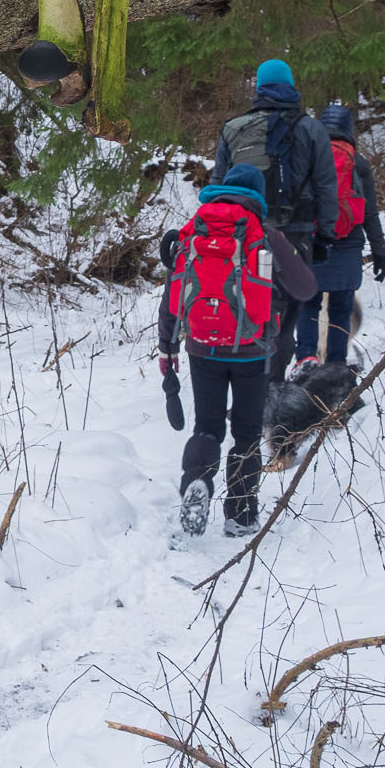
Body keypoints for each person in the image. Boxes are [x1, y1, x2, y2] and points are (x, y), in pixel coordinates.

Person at [158, 164, 318, 538]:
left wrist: (167, 347)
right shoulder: (264, 234)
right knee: (246, 433)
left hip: (201, 348)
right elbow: (306, 289)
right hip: (252, 351)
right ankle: (241, 515)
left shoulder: (193, 230)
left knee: (207, 427)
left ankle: (198, 481)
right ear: (258, 196)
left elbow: (172, 294)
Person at [211, 59, 337, 381]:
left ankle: (245, 384)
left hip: (245, 234)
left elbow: (218, 186)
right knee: (288, 310)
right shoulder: (312, 129)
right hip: (296, 234)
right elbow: (325, 185)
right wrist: (326, 236)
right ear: (291, 85)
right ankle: (274, 386)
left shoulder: (234, 128)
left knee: (247, 305)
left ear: (259, 89)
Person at [295, 104, 385, 368]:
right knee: (340, 308)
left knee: (309, 304)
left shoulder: (309, 158)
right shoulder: (358, 163)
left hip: (312, 244)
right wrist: (379, 252)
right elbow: (370, 213)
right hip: (348, 245)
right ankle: (336, 364)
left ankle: (306, 358)